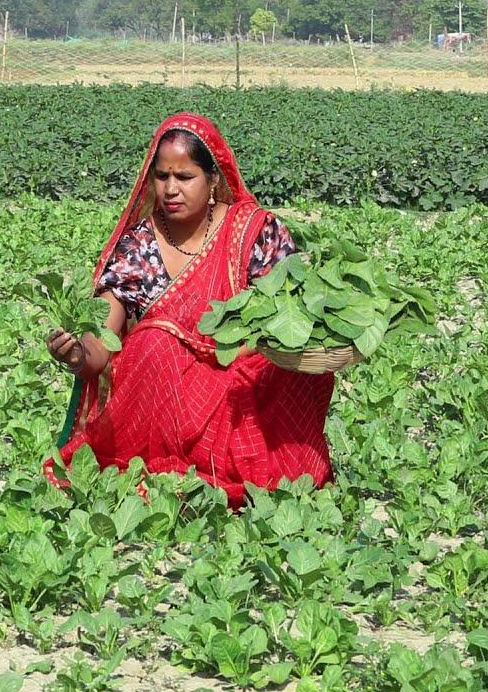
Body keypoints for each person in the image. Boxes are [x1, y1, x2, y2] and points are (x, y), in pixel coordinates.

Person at [43, 113, 336, 509]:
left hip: (239, 388)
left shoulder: (252, 233)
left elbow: (296, 315)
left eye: (185, 177)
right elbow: (104, 343)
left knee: (290, 369)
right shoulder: (140, 246)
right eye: (162, 176)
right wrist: (78, 356)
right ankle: (170, 464)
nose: (170, 189)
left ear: (213, 179)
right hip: (169, 402)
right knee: (155, 340)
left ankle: (250, 462)